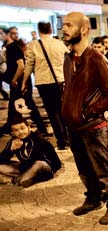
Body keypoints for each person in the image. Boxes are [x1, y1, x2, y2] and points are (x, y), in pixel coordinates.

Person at [61, 12, 108, 225]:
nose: (64, 29)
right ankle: (93, 198)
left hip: (93, 126)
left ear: (84, 30)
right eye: (64, 25)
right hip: (74, 127)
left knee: (103, 169)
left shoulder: (97, 59)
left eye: (69, 25)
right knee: (84, 169)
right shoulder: (68, 59)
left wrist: (87, 112)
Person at [22, 21, 69, 150]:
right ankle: (67, 137)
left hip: (44, 82)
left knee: (52, 112)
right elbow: (69, 58)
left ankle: (61, 140)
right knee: (61, 110)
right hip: (60, 80)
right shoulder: (59, 43)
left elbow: (29, 65)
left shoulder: (33, 45)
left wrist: (24, 81)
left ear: (39, 30)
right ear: (51, 29)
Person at [0, 26, 47, 136]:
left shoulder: (13, 47)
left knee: (28, 104)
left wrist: (15, 80)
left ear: (7, 35)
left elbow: (21, 66)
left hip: (20, 82)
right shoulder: (10, 47)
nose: (0, 37)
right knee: (13, 105)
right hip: (19, 82)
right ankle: (9, 126)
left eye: (1, 34)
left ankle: (41, 127)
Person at [0, 115, 61, 187]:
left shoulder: (39, 140)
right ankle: (28, 178)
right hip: (25, 168)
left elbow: (56, 163)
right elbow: (1, 160)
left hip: (43, 169)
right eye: (16, 130)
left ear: (28, 127)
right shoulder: (13, 142)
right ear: (12, 132)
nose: (20, 132)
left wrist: (53, 173)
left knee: (39, 164)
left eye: (22, 128)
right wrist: (11, 150)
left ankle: (15, 180)